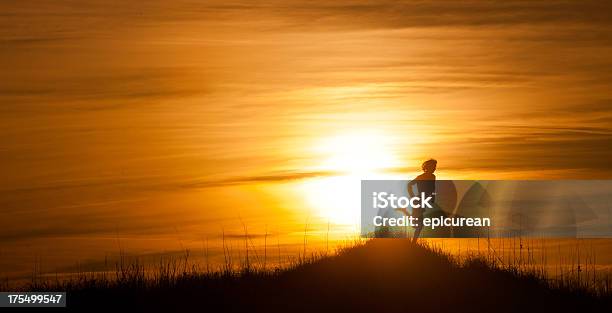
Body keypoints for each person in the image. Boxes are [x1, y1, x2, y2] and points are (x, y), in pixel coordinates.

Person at [406, 159, 437, 243]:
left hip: (423, 201)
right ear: (428, 167)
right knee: (419, 224)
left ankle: (413, 242)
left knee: (419, 224)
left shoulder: (433, 176)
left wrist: (433, 197)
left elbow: (433, 187)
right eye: (433, 167)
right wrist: (412, 196)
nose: (435, 168)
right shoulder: (421, 177)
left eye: (435, 167)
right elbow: (409, 185)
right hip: (418, 201)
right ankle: (413, 243)